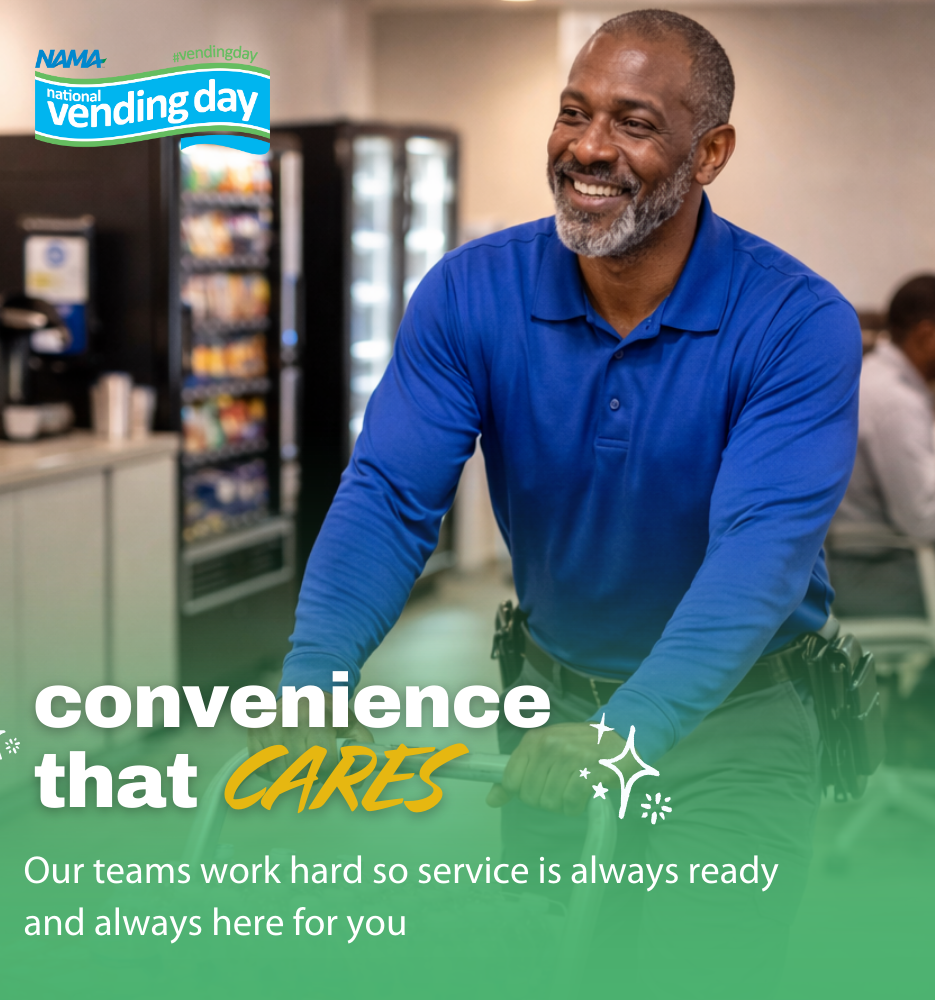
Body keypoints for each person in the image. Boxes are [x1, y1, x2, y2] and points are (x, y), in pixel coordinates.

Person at [252, 8, 861, 991]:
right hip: (546, 718)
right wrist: (317, 668)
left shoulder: (795, 325)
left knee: (701, 967)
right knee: (564, 964)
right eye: (573, 112)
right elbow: (388, 494)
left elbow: (760, 552)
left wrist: (626, 732)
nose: (586, 146)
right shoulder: (469, 295)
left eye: (631, 121)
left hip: (736, 725)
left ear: (709, 152)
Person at [829, 275, 935, 618]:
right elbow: (921, 518)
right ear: (926, 336)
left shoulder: (880, 378)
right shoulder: (895, 402)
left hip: (872, 561)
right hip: (881, 570)